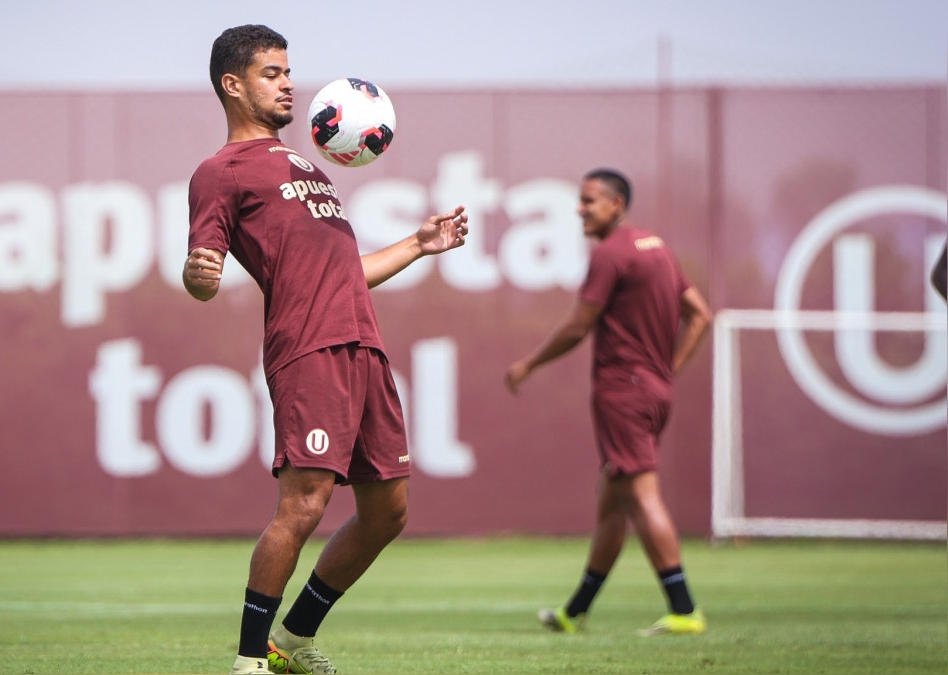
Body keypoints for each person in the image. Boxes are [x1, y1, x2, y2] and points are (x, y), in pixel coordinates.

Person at [184, 25, 469, 675]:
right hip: (308, 346)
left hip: (363, 343)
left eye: (288, 71)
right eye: (271, 73)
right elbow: (202, 269)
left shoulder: (309, 165)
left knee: (387, 510)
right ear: (233, 84)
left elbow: (345, 271)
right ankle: (250, 660)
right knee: (305, 504)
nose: (288, 83)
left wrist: (419, 245)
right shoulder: (220, 172)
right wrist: (199, 275)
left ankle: (296, 637)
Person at [504, 168, 712, 636]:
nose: (580, 209)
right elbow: (700, 315)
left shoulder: (611, 254)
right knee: (612, 501)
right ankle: (575, 612)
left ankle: (684, 609)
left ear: (616, 205)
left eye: (589, 201)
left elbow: (579, 326)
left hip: (624, 391)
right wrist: (667, 370)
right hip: (653, 390)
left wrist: (529, 364)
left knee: (639, 493)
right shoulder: (655, 247)